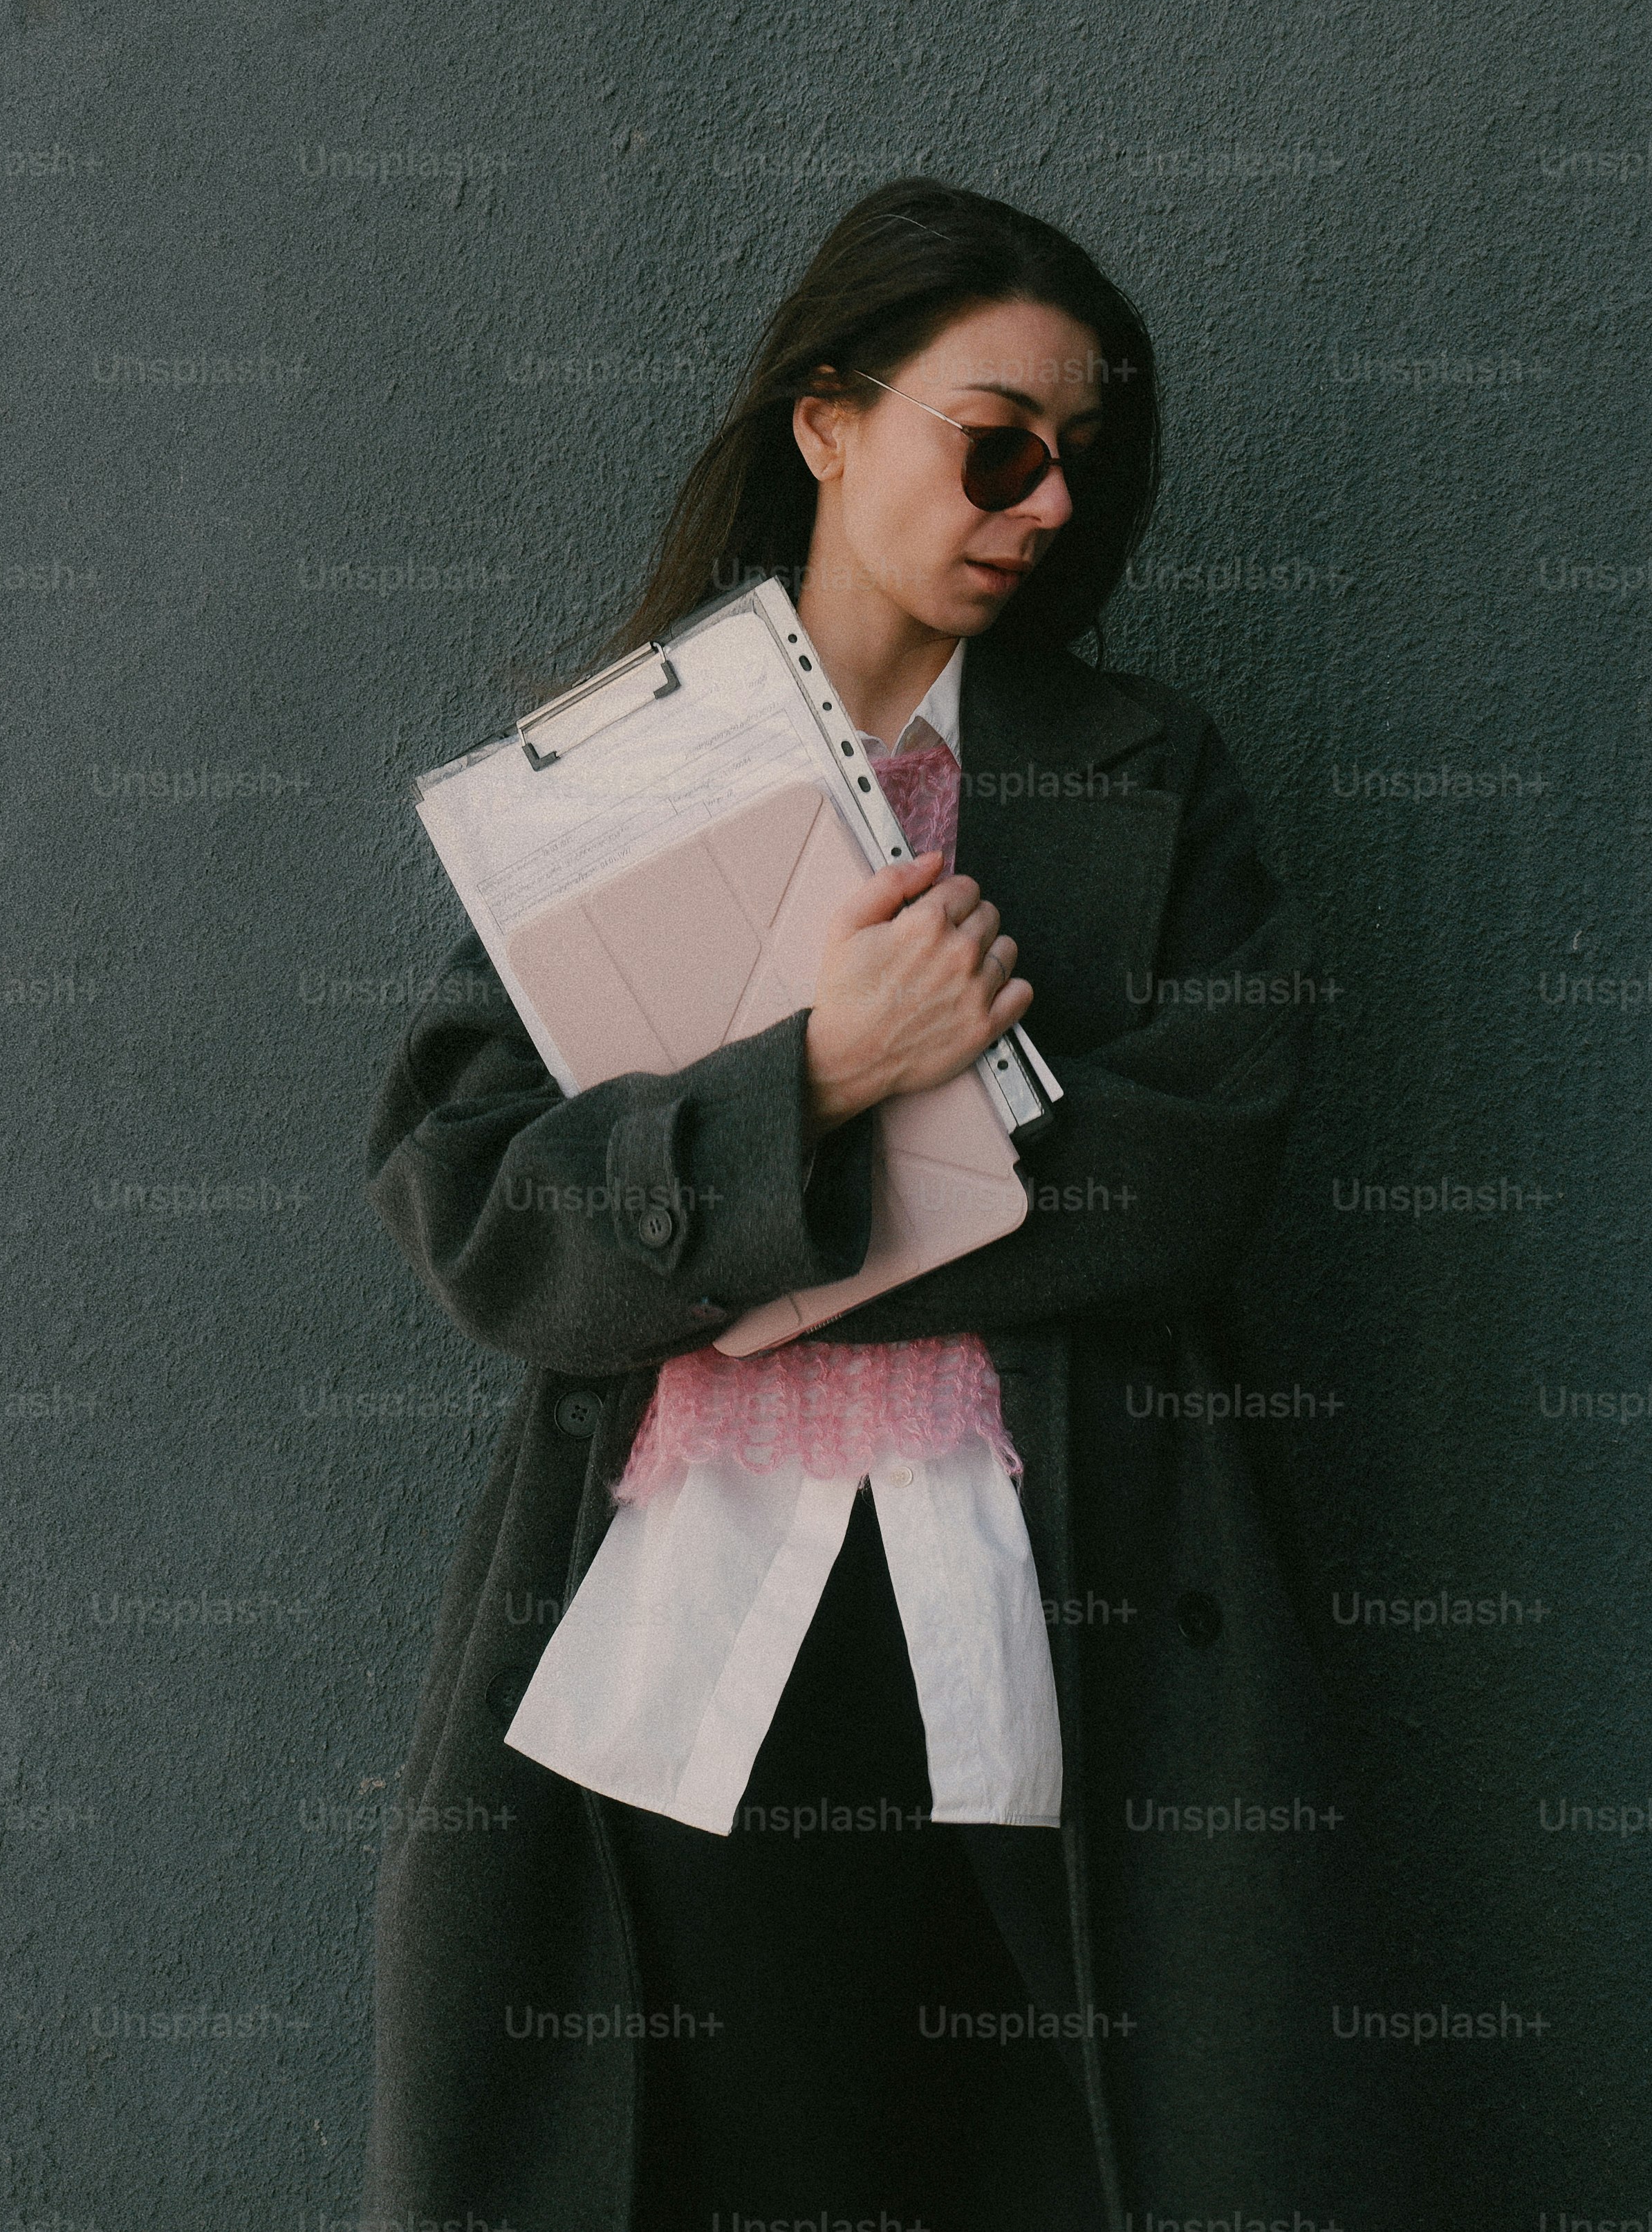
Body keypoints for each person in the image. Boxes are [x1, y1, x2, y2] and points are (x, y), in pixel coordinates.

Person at [358, 178, 1428, 2229]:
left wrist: (733, 1242)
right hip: (697, 1628)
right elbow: (483, 1203)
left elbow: (1198, 1167)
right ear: (828, 422)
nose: (1043, 504)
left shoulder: (1147, 774)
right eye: (997, 438)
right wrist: (827, 1078)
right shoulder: (605, 787)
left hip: (1063, 1612)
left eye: (1081, 462)